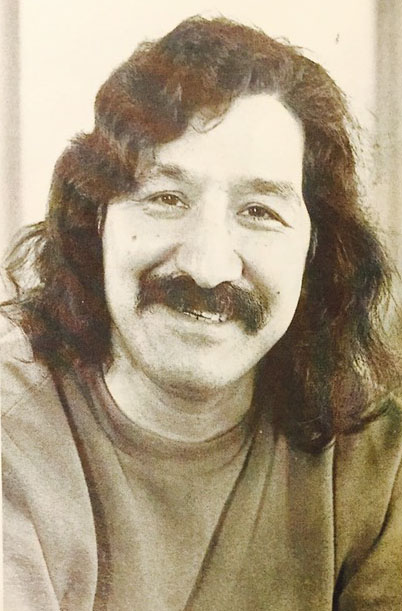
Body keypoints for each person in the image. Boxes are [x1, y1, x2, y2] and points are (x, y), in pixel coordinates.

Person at [1, 15, 401, 611]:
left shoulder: (376, 460)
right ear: (97, 220)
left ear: (315, 249)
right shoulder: (11, 440)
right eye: (166, 198)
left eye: (260, 212)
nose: (208, 266)